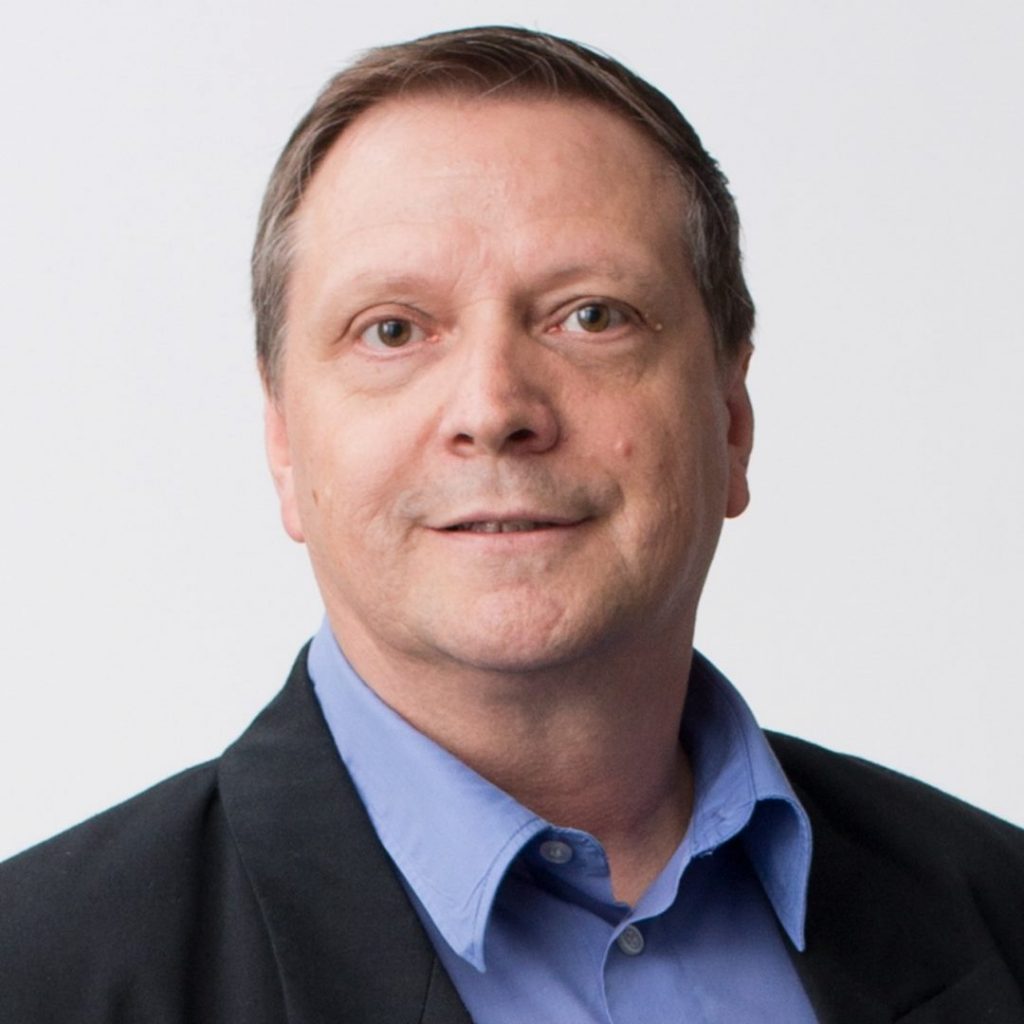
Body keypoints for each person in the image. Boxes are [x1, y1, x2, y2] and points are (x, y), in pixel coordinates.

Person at [1, 25, 1022, 1024]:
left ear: (731, 418)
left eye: (592, 315)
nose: (493, 408)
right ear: (284, 443)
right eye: (392, 330)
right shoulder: (37, 976)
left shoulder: (999, 906)